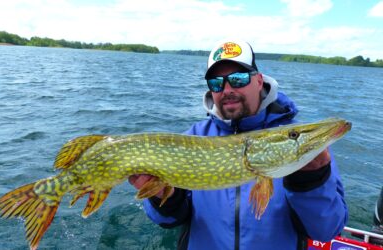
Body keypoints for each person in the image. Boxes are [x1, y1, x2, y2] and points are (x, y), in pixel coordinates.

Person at [129, 39, 348, 250]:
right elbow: (171, 219)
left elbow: (326, 231)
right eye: (216, 83)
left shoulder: (302, 150)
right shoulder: (194, 138)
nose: (227, 89)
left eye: (238, 79)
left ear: (259, 80)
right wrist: (163, 197)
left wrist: (311, 180)